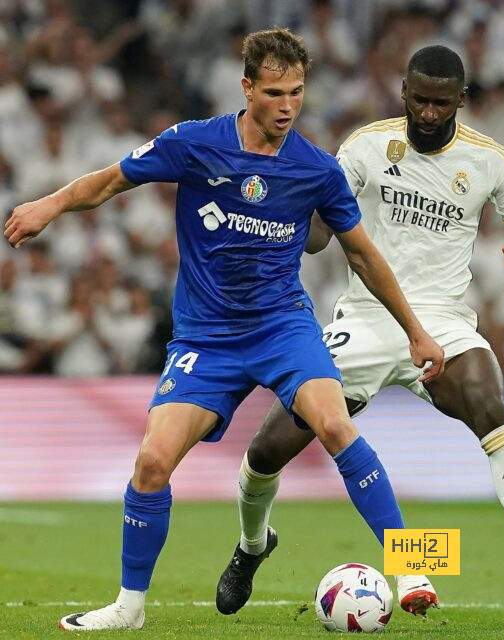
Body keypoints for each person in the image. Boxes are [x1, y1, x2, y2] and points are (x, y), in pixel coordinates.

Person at [4, 29, 444, 631]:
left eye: (297, 92)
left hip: (282, 327)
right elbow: (109, 181)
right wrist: (49, 206)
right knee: (152, 464)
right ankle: (130, 608)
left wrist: (417, 332)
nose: (288, 106)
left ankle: (412, 568)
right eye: (274, 92)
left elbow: (363, 254)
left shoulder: (316, 169)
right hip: (205, 339)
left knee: (336, 423)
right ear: (246, 89)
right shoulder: (193, 143)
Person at [217, 44, 504, 619]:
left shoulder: (491, 162)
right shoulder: (365, 146)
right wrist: (300, 218)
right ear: (403, 92)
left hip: (443, 322)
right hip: (366, 319)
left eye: (442, 104)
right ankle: (253, 545)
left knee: (493, 412)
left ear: (461, 101)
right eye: (420, 100)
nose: (429, 113)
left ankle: (413, 570)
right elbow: (319, 236)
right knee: (266, 450)